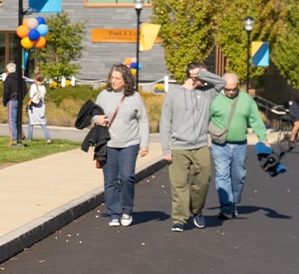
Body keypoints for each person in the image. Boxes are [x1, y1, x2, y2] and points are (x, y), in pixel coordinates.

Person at [157, 63, 224, 232]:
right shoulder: (174, 94)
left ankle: (197, 211)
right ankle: (179, 219)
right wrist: (166, 149)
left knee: (202, 182)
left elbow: (221, 82)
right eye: (202, 75)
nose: (205, 79)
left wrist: (202, 74)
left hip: (200, 146)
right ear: (192, 75)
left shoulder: (208, 92)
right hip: (179, 147)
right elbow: (165, 121)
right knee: (178, 185)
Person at [92, 64, 150, 228]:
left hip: (130, 143)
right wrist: (97, 119)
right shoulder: (103, 95)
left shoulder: (135, 97)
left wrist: (144, 144)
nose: (114, 81)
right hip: (108, 144)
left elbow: (143, 121)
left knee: (126, 177)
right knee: (110, 180)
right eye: (112, 77)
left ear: (126, 80)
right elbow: (93, 115)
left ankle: (126, 211)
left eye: (118, 78)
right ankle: (113, 213)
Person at [210, 72, 269, 221]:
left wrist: (263, 138)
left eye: (233, 89)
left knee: (238, 176)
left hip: (240, 145)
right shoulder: (214, 99)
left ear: (238, 86)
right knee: (222, 175)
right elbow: (204, 118)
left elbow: (256, 120)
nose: (230, 92)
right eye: (227, 89)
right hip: (220, 145)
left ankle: (234, 201)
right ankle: (226, 207)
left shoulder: (246, 100)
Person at [3, 62, 27, 147]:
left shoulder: (8, 79)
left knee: (11, 119)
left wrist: (5, 100)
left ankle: (14, 136)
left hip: (12, 100)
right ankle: (21, 133)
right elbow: (25, 90)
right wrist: (21, 97)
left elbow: (6, 92)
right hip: (20, 100)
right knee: (18, 118)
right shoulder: (21, 79)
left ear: (8, 70)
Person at [25, 73, 51, 143]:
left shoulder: (33, 86)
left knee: (31, 123)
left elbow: (31, 96)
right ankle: (48, 138)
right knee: (43, 123)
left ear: (36, 78)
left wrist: (28, 103)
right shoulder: (43, 87)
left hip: (34, 106)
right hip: (41, 106)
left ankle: (29, 138)